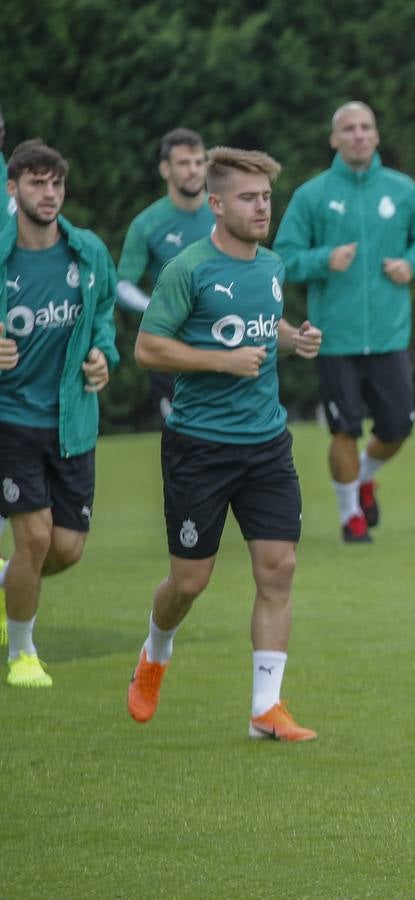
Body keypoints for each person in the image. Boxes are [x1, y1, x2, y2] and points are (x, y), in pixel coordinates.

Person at [125, 146, 323, 741]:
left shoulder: (271, 266)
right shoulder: (187, 269)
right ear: (216, 204)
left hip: (266, 443)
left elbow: (265, 325)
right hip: (200, 447)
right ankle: (155, 651)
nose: (262, 207)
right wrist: (221, 361)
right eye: (249, 198)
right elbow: (148, 348)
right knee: (189, 581)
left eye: (266, 197)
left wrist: (294, 339)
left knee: (279, 567)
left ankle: (266, 706)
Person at [275, 101, 415, 543]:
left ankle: (363, 477)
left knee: (398, 428)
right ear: (334, 139)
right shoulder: (312, 195)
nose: (359, 135)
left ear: (377, 136)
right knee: (344, 427)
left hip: (389, 334)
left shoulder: (403, 190)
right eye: (349, 129)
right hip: (334, 338)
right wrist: (324, 259)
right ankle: (351, 517)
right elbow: (284, 258)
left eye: (366, 127)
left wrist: (414, 264)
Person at [0, 139, 118, 687]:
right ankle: (22, 652)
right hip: (12, 419)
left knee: (66, 550)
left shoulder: (88, 250)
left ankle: (8, 583)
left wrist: (103, 357)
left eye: (56, 184)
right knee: (36, 539)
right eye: (36, 183)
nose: (49, 195)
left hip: (74, 421)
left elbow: (104, 316)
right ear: (12, 188)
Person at [116, 128, 216, 423]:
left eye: (199, 162)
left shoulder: (226, 214)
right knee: (181, 440)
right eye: (184, 163)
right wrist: (157, 309)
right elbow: (122, 284)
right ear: (165, 169)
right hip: (170, 350)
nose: (194, 170)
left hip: (223, 340)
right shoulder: (147, 223)